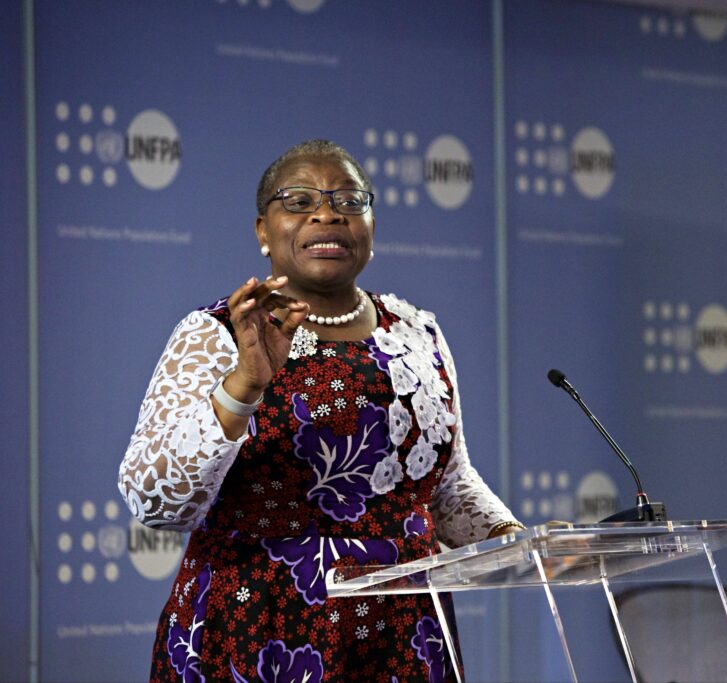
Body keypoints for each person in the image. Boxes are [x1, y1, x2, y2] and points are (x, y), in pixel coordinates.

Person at [118, 139, 524, 682]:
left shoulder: (417, 331)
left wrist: (516, 542)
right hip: (258, 625)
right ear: (263, 231)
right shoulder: (216, 334)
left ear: (371, 227)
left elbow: (445, 486)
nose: (328, 213)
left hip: (402, 634)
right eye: (299, 200)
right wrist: (244, 384)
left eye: (350, 201)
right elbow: (154, 499)